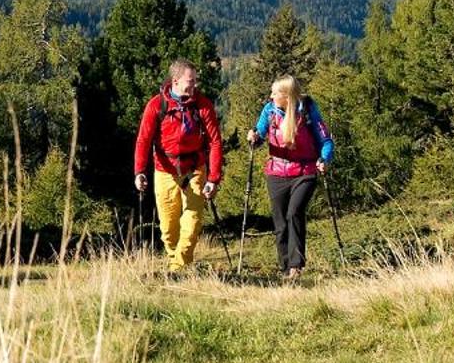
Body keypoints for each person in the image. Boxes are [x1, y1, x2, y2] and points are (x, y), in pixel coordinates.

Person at [133, 58, 224, 274]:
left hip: (195, 167)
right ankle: (180, 264)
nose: (194, 86)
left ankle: (177, 269)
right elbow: (143, 140)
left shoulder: (202, 105)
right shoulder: (157, 105)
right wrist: (139, 171)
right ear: (175, 81)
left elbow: (215, 141)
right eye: (190, 82)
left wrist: (213, 178)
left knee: (192, 221)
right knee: (168, 228)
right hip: (165, 169)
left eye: (195, 82)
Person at [245, 75, 333, 278]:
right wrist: (255, 137)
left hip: (305, 172)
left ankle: (296, 266)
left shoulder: (308, 110)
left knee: (294, 212)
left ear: (286, 96)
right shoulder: (269, 111)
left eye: (275, 93)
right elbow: (260, 133)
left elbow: (325, 140)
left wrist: (324, 158)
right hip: (276, 173)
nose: (271, 96)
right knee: (280, 222)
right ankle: (285, 268)